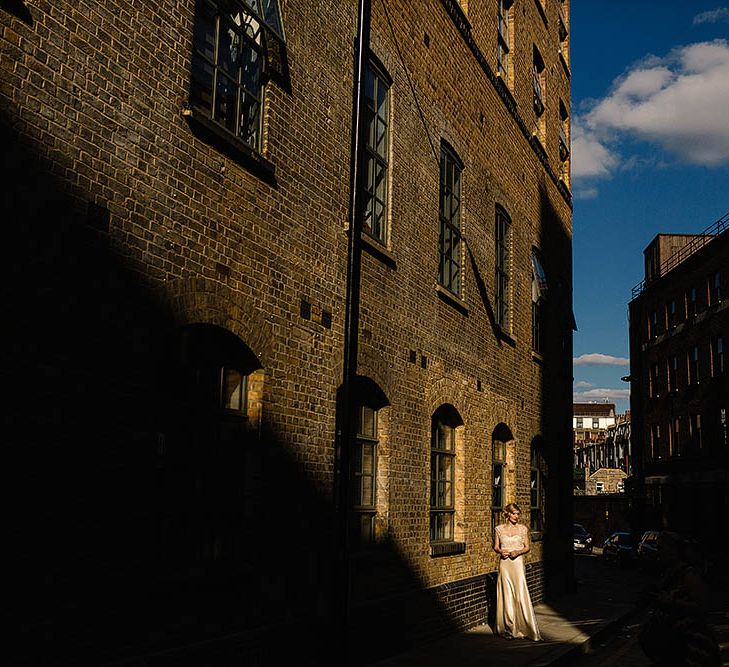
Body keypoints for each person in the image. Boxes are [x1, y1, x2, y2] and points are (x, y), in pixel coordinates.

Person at [639, 531, 720, 666]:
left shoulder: (689, 575)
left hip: (693, 645)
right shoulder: (668, 573)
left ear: (674, 551)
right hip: (674, 643)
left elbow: (703, 608)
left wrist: (673, 602)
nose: (657, 552)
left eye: (661, 548)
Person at [493, 502, 541, 640]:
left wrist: (518, 552)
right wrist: (501, 551)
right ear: (508, 514)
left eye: (518, 514)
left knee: (520, 594)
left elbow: (527, 547)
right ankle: (509, 628)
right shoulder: (499, 529)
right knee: (506, 594)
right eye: (514, 513)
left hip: (518, 563)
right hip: (505, 564)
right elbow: (496, 546)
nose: (516, 516)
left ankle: (524, 626)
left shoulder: (523, 529)